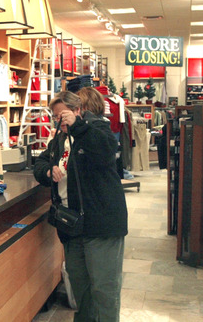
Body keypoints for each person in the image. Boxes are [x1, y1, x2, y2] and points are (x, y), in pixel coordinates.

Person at [33, 91, 128, 322]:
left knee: (104, 289)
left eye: (63, 114)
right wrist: (47, 170)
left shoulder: (96, 127)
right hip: (71, 225)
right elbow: (41, 162)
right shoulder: (58, 140)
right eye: (56, 116)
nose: (60, 120)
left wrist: (78, 127)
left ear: (77, 110)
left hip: (101, 224)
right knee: (81, 289)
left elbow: (107, 151)